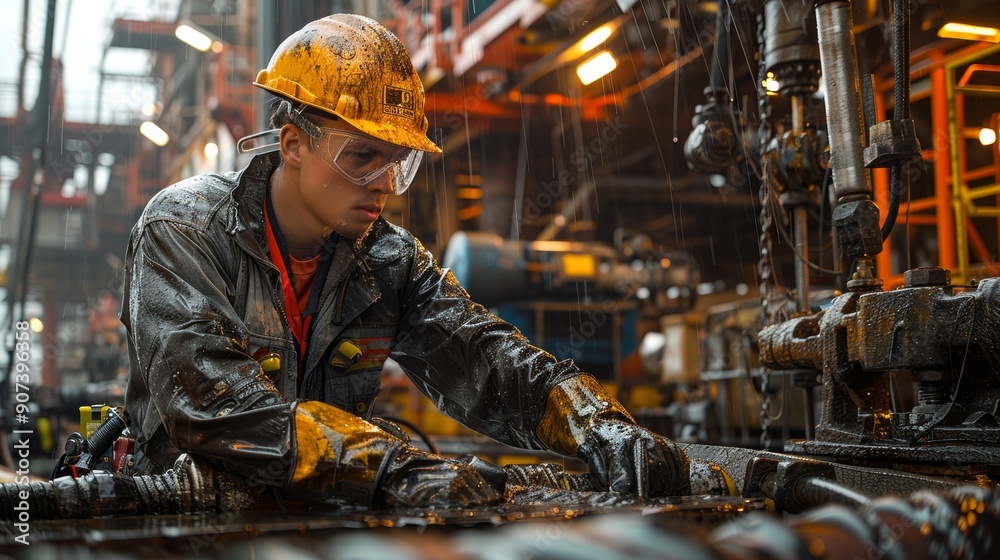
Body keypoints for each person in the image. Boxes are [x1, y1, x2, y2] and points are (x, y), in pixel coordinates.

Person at [121, 14, 701, 509]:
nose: (384, 184)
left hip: (323, 520)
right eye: (363, 156)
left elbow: (485, 357)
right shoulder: (185, 230)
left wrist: (597, 425)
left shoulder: (387, 259)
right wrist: (389, 467)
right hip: (186, 520)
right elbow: (208, 398)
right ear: (293, 144)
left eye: (397, 162)